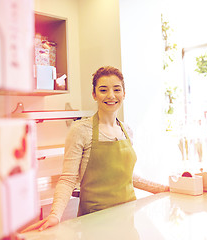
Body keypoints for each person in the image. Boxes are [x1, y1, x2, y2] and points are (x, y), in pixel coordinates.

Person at [23, 66, 169, 232]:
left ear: (124, 94)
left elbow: (126, 176)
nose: (111, 95)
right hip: (94, 221)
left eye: (117, 89)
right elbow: (68, 179)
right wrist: (55, 215)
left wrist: (164, 189)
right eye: (103, 90)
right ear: (94, 94)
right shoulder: (80, 130)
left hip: (127, 218)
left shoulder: (127, 130)